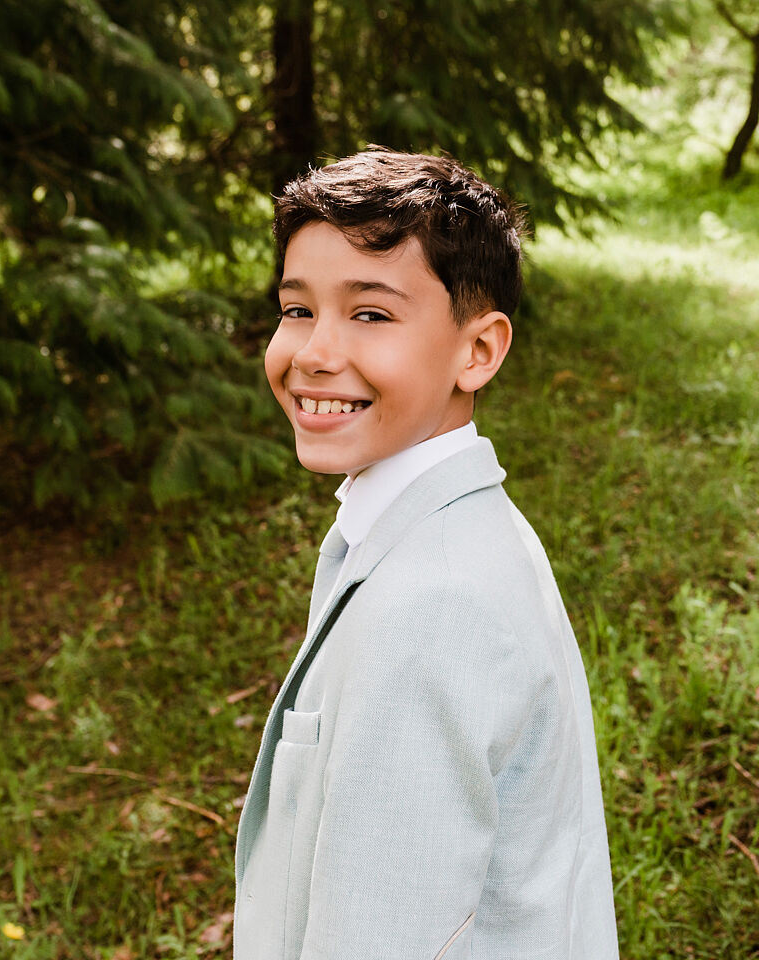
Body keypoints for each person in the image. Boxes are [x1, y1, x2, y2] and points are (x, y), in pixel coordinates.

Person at [233, 147, 618, 959]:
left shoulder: (432, 603)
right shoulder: (454, 529)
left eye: (370, 314)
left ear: (477, 352)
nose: (312, 351)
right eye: (297, 309)